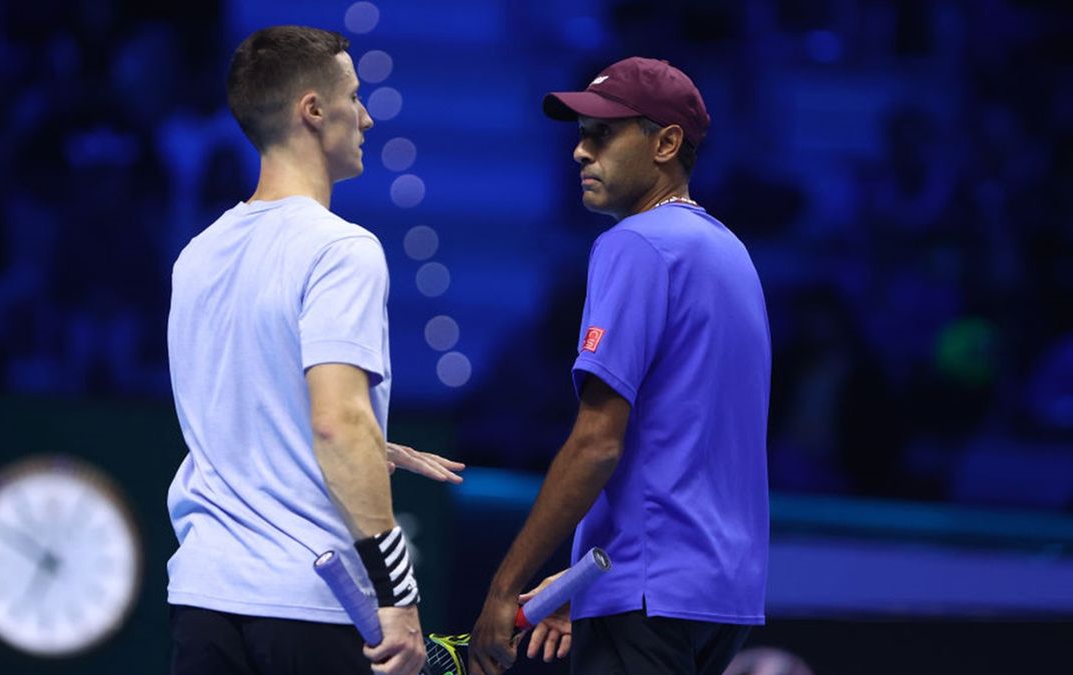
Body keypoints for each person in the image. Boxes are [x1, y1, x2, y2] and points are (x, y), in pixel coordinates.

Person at [165, 26, 463, 675]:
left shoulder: (196, 255)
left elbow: (244, 415)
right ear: (313, 110)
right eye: (355, 96)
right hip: (308, 606)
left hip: (201, 602)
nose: (367, 115)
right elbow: (336, 422)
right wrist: (399, 598)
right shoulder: (341, 250)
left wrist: (372, 446)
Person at [468, 57, 772, 675]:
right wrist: (582, 581)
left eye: (602, 133)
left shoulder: (633, 244)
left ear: (666, 143)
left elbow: (598, 443)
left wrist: (507, 585)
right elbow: (682, 445)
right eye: (581, 134)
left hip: (647, 588)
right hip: (722, 596)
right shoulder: (731, 253)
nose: (581, 152)